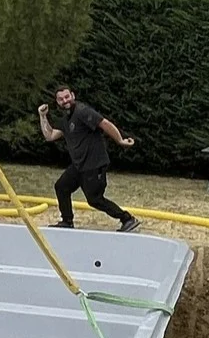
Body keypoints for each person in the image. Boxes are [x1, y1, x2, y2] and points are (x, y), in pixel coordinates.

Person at [39, 86, 141, 233]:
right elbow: (50, 136)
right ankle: (67, 221)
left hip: (94, 164)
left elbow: (105, 124)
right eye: (61, 99)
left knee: (95, 199)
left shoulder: (82, 111)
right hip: (79, 165)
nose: (65, 101)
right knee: (61, 187)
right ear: (57, 102)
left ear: (73, 95)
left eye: (67, 97)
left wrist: (120, 141)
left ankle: (127, 219)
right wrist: (43, 116)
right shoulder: (66, 119)